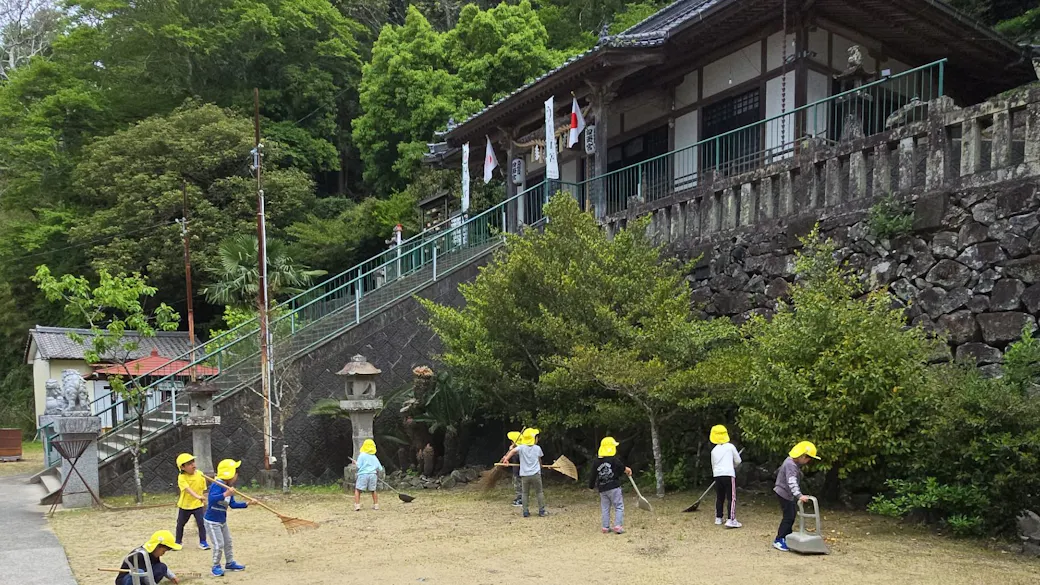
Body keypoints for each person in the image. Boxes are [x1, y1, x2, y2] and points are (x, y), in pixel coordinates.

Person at [773, 441, 820, 552]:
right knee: (789, 517)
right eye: (809, 458)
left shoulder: (792, 462)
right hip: (784, 492)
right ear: (802, 456)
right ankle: (779, 539)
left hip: (785, 492)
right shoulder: (791, 465)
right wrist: (799, 495)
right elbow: (792, 481)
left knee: (791, 515)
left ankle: (787, 536)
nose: (809, 461)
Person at [204, 459, 248, 576]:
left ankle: (229, 562)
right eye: (235, 473)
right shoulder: (217, 484)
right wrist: (225, 494)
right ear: (230, 474)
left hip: (222, 521)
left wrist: (247, 504)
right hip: (212, 522)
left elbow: (232, 504)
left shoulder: (229, 487)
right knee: (219, 545)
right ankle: (215, 566)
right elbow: (211, 499)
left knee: (228, 542)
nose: (237, 476)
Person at [588, 436, 631, 534]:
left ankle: (605, 527)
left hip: (602, 488)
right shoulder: (614, 460)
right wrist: (627, 470)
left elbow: (593, 475)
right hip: (614, 487)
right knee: (619, 506)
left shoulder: (596, 462)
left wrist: (591, 486)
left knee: (605, 508)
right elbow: (621, 468)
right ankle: (618, 526)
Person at [500, 428, 545, 517]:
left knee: (525, 493)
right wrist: (541, 467)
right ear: (534, 439)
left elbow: (513, 451)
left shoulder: (521, 447)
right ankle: (542, 511)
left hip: (525, 475)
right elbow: (539, 460)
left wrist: (506, 459)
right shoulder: (537, 448)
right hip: (536, 474)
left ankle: (525, 511)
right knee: (539, 492)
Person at [114, 530, 180, 585]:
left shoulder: (154, 553)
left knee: (162, 567)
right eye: (163, 551)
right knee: (139, 572)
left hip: (143, 576)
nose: (163, 554)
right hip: (127, 580)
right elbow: (144, 575)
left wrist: (172, 577)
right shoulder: (139, 555)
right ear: (157, 546)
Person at [709, 425, 742, 528]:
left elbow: (713, 465)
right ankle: (731, 519)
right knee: (731, 497)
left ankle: (718, 517)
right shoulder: (730, 447)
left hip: (717, 475)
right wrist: (733, 466)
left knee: (720, 497)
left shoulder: (714, 450)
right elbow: (738, 460)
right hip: (728, 474)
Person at [173, 453, 208, 549]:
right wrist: (198, 496)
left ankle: (203, 542)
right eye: (189, 464)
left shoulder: (200, 474)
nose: (193, 465)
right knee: (180, 524)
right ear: (182, 467)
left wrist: (203, 499)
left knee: (201, 523)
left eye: (193, 462)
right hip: (185, 505)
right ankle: (178, 542)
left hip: (198, 505)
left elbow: (203, 488)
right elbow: (188, 489)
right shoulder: (182, 477)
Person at [355, 439, 385, 511]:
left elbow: (358, 466)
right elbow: (380, 468)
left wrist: (355, 463)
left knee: (358, 490)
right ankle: (376, 505)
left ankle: (357, 505)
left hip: (363, 474)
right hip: (373, 475)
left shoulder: (362, 455)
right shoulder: (374, 457)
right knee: (373, 490)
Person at [507, 430, 523, 507]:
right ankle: (519, 498)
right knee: (517, 484)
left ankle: (521, 500)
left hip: (520, 471)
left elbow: (518, 458)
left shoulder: (519, 450)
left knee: (519, 485)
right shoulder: (515, 450)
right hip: (516, 471)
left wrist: (511, 451)